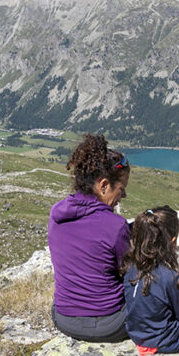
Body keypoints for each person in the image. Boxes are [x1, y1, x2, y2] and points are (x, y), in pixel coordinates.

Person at [47, 133, 131, 342]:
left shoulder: (56, 213)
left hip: (63, 320)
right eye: (121, 189)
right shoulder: (116, 225)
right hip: (110, 324)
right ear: (103, 185)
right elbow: (129, 272)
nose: (123, 196)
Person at [122, 206, 179, 355]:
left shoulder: (131, 264)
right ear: (172, 241)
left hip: (136, 332)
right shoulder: (170, 275)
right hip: (162, 339)